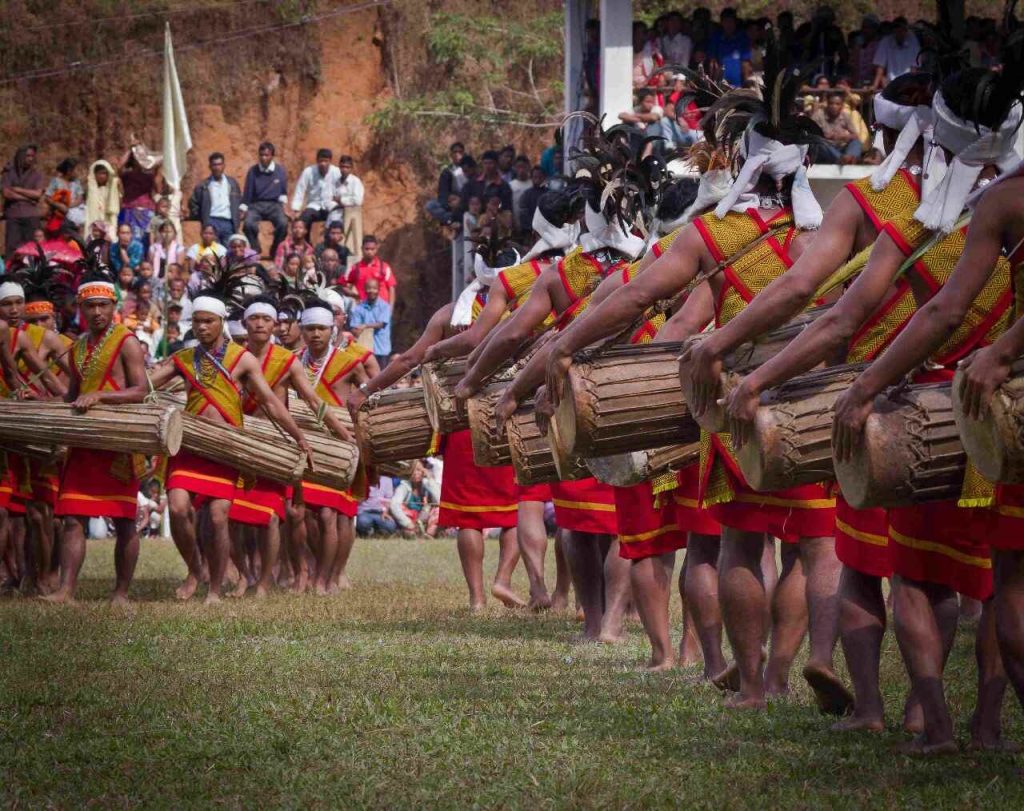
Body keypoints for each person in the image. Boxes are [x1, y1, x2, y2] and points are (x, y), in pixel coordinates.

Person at [544, 75, 840, 705]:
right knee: (815, 545)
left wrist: (575, 353)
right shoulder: (832, 234)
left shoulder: (712, 238)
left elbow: (647, 302)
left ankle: (751, 684)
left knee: (737, 541)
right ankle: (794, 670)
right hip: (816, 399)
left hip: (737, 403)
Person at [684, 72, 935, 724]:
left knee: (742, 543)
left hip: (803, 400)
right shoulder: (987, 203)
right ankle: (916, 702)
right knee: (837, 550)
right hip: (934, 398)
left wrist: (711, 353)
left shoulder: (719, 236)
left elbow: (805, 301)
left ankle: (765, 684)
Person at [147, 294, 312, 604]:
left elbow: (271, 403)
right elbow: (145, 385)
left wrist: (298, 436)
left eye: (208, 321)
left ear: (222, 322)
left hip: (225, 448)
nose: (202, 327)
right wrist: (104, 396)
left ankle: (213, 591)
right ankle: (196, 570)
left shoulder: (243, 359)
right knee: (179, 508)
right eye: (196, 321)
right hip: (191, 445)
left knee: (220, 516)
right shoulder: (184, 358)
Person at [227, 294, 352, 597]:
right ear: (245, 323)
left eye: (266, 319)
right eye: (253, 319)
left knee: (276, 515)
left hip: (275, 444)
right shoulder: (231, 357)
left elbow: (312, 400)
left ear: (274, 325)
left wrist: (342, 434)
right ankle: (245, 575)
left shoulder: (287, 361)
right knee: (232, 517)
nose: (259, 324)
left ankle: (269, 581)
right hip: (238, 442)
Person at [44, 270, 147, 604]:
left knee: (124, 520)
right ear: (80, 308)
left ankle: (120, 593)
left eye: (103, 305)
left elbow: (141, 390)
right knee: (73, 518)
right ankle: (66, 590)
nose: (97, 312)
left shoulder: (127, 341)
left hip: (117, 442)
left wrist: (101, 397)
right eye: (90, 306)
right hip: (84, 443)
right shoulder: (78, 347)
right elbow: (74, 394)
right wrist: (44, 403)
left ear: (113, 305)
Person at [295, 300, 372, 594]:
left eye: (321, 329)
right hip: (306, 444)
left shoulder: (350, 363)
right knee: (307, 515)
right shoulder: (294, 361)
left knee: (333, 514)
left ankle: (328, 577)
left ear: (332, 330)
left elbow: (368, 394)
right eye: (310, 328)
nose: (315, 334)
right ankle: (317, 569)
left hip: (341, 445)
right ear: (302, 331)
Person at [240, 142, 289, 259]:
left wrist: (285, 208)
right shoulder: (253, 171)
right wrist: (243, 208)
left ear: (272, 156)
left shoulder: (279, 171)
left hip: (274, 205)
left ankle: (275, 248)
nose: (263, 158)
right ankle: (255, 247)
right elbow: (248, 192)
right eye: (261, 155)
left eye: (266, 155)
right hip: (256, 204)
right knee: (248, 224)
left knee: (283, 223)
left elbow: (283, 193)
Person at [187, 152, 242, 247]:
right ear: (210, 166)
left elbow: (239, 200)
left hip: (228, 222)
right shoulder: (203, 185)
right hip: (211, 222)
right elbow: (193, 202)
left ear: (224, 165)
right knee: (213, 251)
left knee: (229, 252)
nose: (217, 167)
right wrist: (201, 216)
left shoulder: (232, 184)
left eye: (219, 164)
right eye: (214, 165)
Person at [2, 145, 45, 255]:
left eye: (32, 156)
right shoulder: (9, 173)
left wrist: (17, 189)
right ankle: (12, 272)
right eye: (27, 156)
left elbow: (37, 194)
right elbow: (6, 194)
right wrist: (27, 197)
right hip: (13, 215)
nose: (30, 158)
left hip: (31, 216)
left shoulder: (37, 175)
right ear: (20, 156)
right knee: (12, 248)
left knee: (33, 248)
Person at [116, 146, 162, 247]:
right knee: (127, 241)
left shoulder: (150, 176)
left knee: (146, 240)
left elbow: (158, 190)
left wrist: (156, 167)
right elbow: (119, 166)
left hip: (146, 212)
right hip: (129, 211)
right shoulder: (127, 175)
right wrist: (130, 149)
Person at [291, 148, 340, 233]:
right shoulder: (308, 171)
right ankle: (306, 244)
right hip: (314, 205)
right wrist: (296, 209)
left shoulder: (336, 172)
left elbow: (342, 188)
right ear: (317, 161)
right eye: (321, 161)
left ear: (330, 161)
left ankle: (331, 244)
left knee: (337, 221)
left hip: (330, 205)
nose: (323, 164)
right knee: (304, 219)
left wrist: (339, 200)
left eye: (326, 161)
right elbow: (300, 189)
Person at [390, 460, 440, 538]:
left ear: (423, 472)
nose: (416, 473)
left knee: (438, 509)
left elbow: (440, 500)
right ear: (409, 472)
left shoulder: (427, 483)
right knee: (401, 507)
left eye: (419, 470)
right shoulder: (404, 485)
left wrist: (430, 479)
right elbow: (394, 504)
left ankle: (428, 535)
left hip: (425, 518)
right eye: (413, 470)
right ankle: (412, 533)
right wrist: (407, 523)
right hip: (410, 520)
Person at [349, 278, 392, 369]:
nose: (372, 291)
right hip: (364, 350)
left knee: (382, 377)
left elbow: (381, 324)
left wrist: (365, 326)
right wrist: (355, 331)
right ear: (365, 289)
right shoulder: (359, 308)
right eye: (369, 288)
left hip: (381, 348)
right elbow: (354, 327)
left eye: (374, 288)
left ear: (379, 290)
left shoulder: (385, 306)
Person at [812, 91, 864, 165]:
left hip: (841, 147)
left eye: (837, 104)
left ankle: (848, 158)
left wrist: (845, 136)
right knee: (820, 143)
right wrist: (826, 136)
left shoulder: (845, 115)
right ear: (827, 104)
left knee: (856, 142)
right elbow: (811, 135)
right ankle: (842, 159)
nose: (834, 106)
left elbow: (855, 135)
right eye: (831, 103)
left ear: (841, 106)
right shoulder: (818, 115)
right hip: (825, 149)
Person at [345, 234, 397, 306]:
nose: (369, 252)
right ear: (362, 249)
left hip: (381, 310)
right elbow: (344, 286)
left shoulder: (384, 267)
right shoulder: (354, 268)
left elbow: (391, 289)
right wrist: (356, 296)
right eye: (367, 249)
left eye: (372, 249)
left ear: (376, 249)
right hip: (363, 310)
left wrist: (390, 310)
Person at [871, 17, 921, 89]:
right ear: (893, 30)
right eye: (897, 30)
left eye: (902, 30)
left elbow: (914, 67)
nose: (900, 32)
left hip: (907, 82)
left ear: (906, 30)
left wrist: (911, 84)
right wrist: (876, 85)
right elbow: (880, 66)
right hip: (890, 82)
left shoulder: (913, 41)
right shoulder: (885, 41)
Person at [708, 8, 751, 86]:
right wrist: (712, 85)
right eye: (726, 22)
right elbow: (713, 63)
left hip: (739, 84)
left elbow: (746, 63)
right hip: (721, 83)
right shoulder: (716, 38)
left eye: (731, 21)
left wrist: (747, 84)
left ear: (735, 22)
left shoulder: (742, 38)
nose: (729, 24)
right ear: (721, 23)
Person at [43, 158, 84, 237]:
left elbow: (80, 198)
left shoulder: (76, 182)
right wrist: (58, 205)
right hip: (59, 214)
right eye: (76, 170)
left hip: (74, 215)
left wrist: (68, 206)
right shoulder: (56, 181)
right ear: (69, 170)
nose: (78, 172)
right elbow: (47, 197)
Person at [335, 155, 365, 262]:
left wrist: (342, 200)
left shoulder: (355, 182)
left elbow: (358, 201)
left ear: (351, 168)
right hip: (338, 214)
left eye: (347, 167)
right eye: (342, 166)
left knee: (352, 245)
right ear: (339, 167)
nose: (344, 169)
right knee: (337, 242)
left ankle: (354, 270)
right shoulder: (337, 181)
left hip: (352, 215)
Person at [83, 159, 121, 238]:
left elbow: (119, 203)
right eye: (100, 173)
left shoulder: (112, 189)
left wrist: (117, 186)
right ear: (95, 174)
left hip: (107, 219)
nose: (102, 176)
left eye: (105, 173)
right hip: (93, 219)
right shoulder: (89, 187)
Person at [517, 166, 547, 236]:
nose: (538, 179)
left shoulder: (549, 194)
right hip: (529, 232)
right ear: (531, 178)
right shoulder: (526, 195)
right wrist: (533, 227)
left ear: (544, 177)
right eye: (535, 177)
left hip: (546, 232)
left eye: (540, 177)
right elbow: (523, 214)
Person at [508, 155, 533, 224]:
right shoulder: (510, 186)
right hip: (515, 222)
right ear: (515, 168)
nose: (521, 170)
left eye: (524, 167)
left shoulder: (533, 184)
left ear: (528, 167)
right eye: (519, 167)